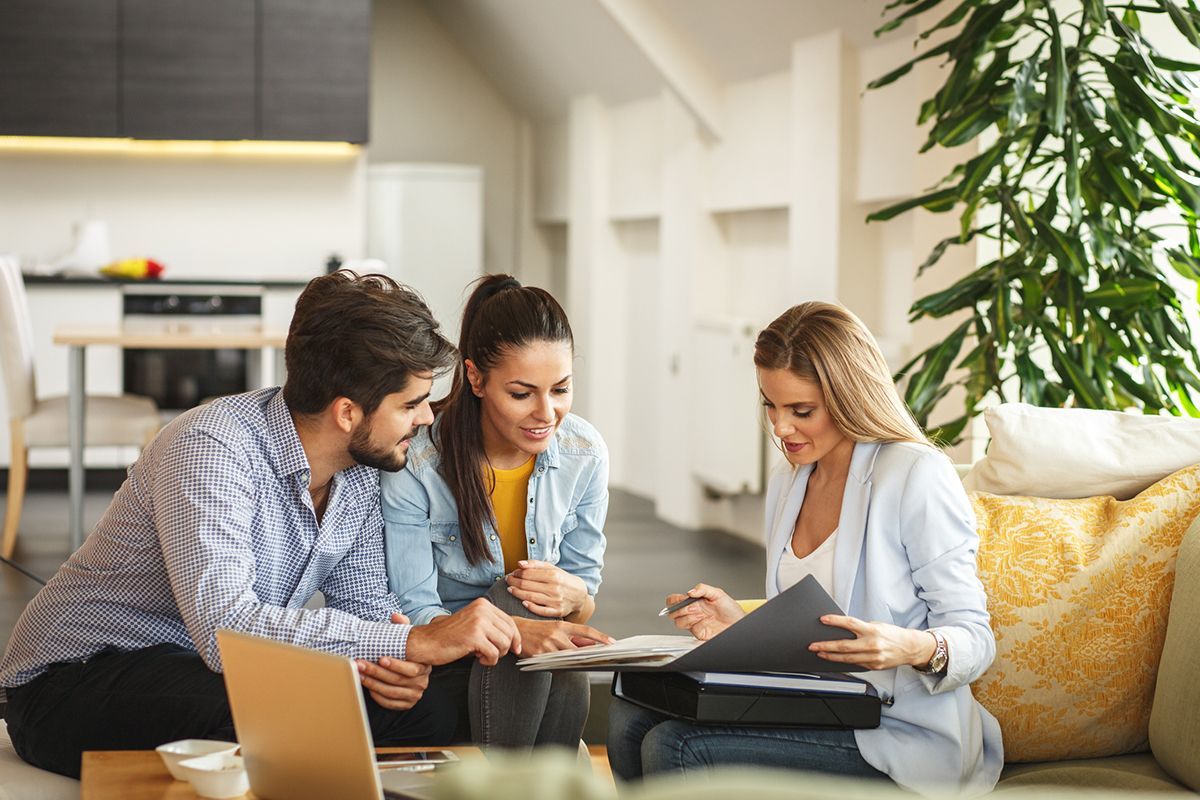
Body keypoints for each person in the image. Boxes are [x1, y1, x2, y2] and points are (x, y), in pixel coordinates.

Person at [0, 271, 525, 779]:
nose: (427, 418)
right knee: (278, 712)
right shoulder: (211, 448)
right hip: (72, 680)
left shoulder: (362, 471)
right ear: (347, 412)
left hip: (206, 671)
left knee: (427, 712)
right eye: (411, 404)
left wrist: (394, 666)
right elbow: (223, 628)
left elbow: (365, 611)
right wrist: (412, 645)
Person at [607, 302, 1002, 795]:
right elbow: (812, 623)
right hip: (819, 706)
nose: (780, 428)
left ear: (849, 397)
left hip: (899, 733)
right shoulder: (789, 482)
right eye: (770, 405)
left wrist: (910, 646)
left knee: (677, 745)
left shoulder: (915, 475)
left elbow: (976, 639)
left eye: (801, 411)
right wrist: (740, 622)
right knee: (628, 715)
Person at [381, 274, 611, 749]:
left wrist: (573, 597)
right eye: (522, 394)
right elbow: (415, 609)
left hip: (536, 659)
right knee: (511, 598)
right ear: (476, 378)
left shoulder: (584, 452)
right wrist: (517, 630)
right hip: (451, 656)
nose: (546, 413)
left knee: (548, 633)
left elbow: (582, 600)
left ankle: (525, 784)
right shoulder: (419, 462)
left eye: (561, 390)